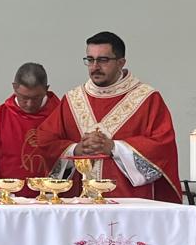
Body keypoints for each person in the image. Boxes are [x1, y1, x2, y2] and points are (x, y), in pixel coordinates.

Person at [36, 31, 181, 202]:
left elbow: (162, 146)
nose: (95, 66)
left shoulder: (146, 98)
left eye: (103, 60)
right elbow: (46, 141)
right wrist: (76, 149)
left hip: (127, 203)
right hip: (79, 204)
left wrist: (113, 147)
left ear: (121, 62)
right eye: (90, 60)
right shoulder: (73, 99)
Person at [0, 62, 60, 196]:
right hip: (8, 201)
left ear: (46, 89)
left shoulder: (61, 115)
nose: (30, 104)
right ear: (15, 88)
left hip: (53, 201)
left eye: (36, 98)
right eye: (24, 98)